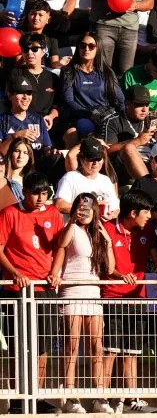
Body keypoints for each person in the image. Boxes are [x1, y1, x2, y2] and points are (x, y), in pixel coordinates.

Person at [100, 190, 157, 415]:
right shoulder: (107, 228)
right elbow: (104, 265)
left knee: (132, 352)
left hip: (138, 298)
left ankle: (131, 399)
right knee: (110, 351)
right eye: (146, 212)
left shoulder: (147, 230)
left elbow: (156, 257)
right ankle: (102, 398)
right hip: (113, 297)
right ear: (133, 213)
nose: (150, 216)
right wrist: (120, 276)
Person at [0, 172, 63, 411]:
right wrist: (14, 272)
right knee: (18, 346)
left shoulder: (53, 214)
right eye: (35, 193)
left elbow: (60, 247)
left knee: (42, 346)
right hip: (18, 290)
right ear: (25, 192)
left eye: (44, 193)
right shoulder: (10, 213)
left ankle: (36, 396)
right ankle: (18, 398)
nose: (40, 198)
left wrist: (55, 272)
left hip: (44, 288)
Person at [48, 192, 111, 414]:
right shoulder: (71, 228)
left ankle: (99, 396)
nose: (84, 212)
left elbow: (109, 268)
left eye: (88, 208)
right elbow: (61, 243)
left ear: (95, 211)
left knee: (96, 347)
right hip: (72, 291)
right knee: (72, 346)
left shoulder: (98, 233)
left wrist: (108, 241)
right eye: (80, 207)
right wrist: (72, 220)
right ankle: (70, 397)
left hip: (93, 293)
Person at [56, 137, 119, 221]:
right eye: (91, 159)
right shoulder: (70, 178)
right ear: (81, 159)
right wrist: (90, 208)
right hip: (76, 227)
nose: (96, 162)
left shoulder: (106, 180)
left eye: (99, 159)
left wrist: (112, 215)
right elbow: (60, 205)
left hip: (101, 226)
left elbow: (116, 208)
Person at [0, 79, 52, 154]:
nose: (26, 97)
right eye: (20, 92)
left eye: (29, 93)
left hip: (37, 161)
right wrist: (15, 136)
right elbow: (1, 152)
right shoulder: (2, 120)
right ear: (10, 95)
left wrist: (52, 153)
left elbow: (46, 147)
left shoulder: (38, 119)